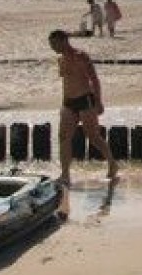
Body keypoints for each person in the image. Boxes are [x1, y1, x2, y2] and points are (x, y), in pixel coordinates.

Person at [49, 29, 117, 194]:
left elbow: (94, 80)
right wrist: (63, 105)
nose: (52, 47)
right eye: (51, 44)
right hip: (68, 103)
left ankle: (112, 163)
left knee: (93, 136)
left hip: (85, 100)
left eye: (54, 44)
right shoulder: (60, 60)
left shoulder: (81, 56)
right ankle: (65, 175)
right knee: (63, 137)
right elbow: (66, 82)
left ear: (64, 41)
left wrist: (98, 101)